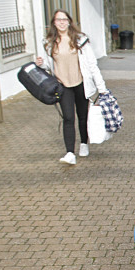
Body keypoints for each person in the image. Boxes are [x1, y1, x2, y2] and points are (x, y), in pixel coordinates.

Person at [36, 9, 107, 165]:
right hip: (62, 85)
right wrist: (40, 64)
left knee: (82, 116)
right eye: (58, 20)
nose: (61, 22)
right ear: (54, 23)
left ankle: (83, 143)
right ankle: (69, 153)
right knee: (68, 118)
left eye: (64, 19)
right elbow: (49, 66)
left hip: (81, 83)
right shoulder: (48, 42)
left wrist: (102, 88)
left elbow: (92, 65)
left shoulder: (80, 40)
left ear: (69, 21)